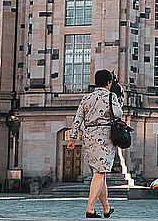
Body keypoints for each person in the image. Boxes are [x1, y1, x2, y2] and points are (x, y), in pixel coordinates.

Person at [69, 69, 124, 218]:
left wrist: (72, 139)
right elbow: (119, 113)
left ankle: (106, 208)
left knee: (99, 173)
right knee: (100, 173)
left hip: (89, 136)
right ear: (108, 82)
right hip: (105, 136)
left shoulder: (86, 98)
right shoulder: (110, 96)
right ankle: (90, 208)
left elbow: (78, 119)